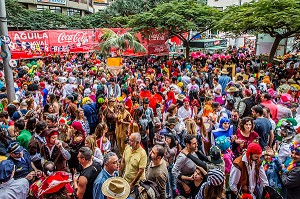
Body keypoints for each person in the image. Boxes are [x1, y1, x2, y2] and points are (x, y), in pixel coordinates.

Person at [281, 134, 300, 199]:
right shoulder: (294, 164)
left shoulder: (298, 170)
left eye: (297, 154)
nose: (293, 155)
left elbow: (287, 183)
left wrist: (283, 171)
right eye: (292, 152)